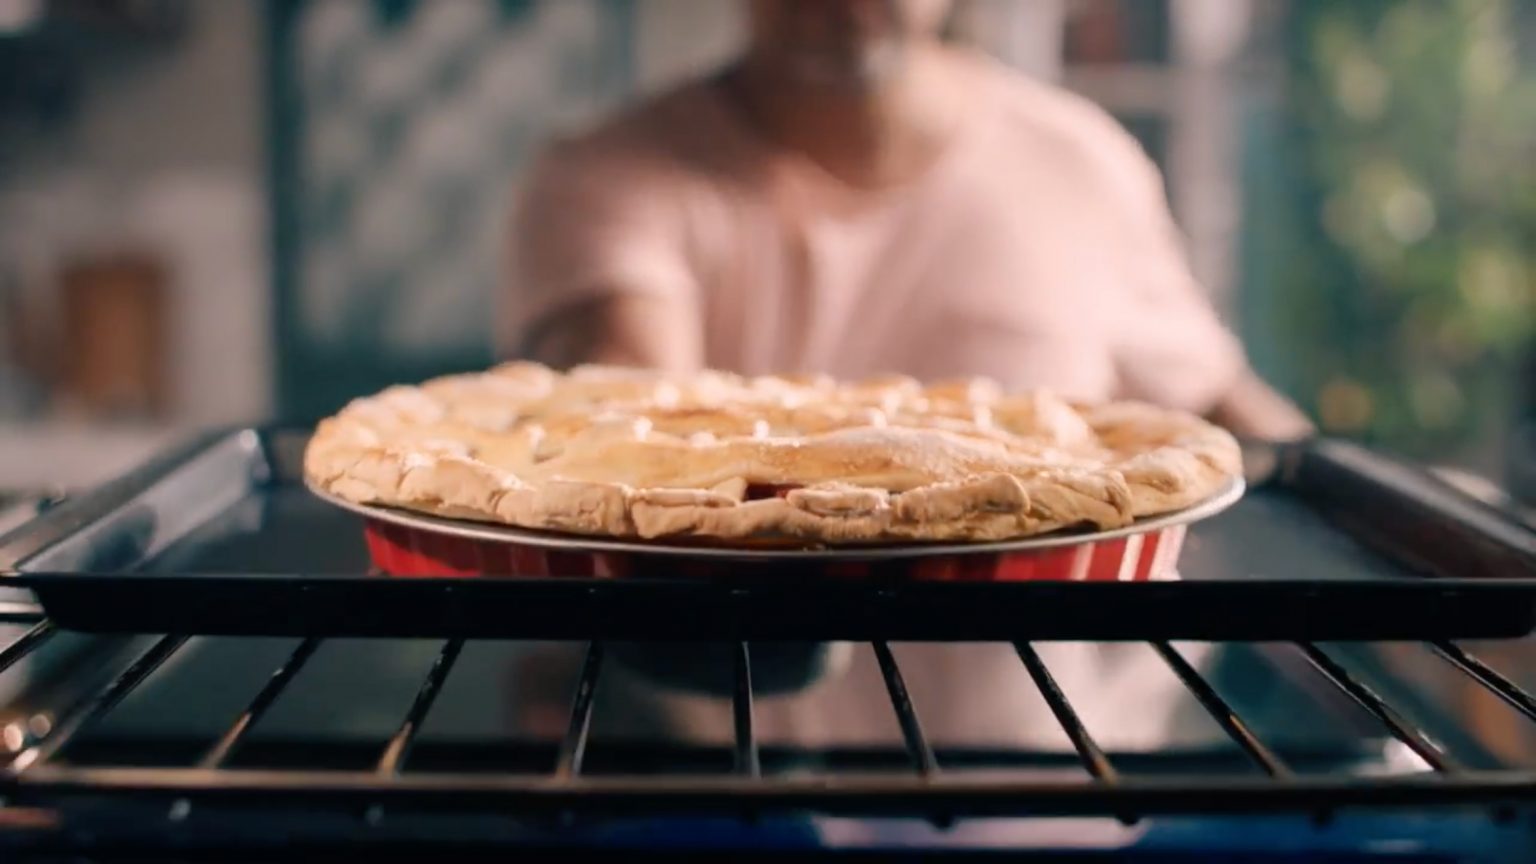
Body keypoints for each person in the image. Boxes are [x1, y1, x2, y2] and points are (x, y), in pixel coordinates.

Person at [499, 0, 1311, 751]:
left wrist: (1368, 509)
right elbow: (627, 409)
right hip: (739, 792)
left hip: (1054, 780)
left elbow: (1212, 406)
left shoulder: (1077, 163)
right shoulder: (610, 178)